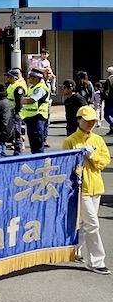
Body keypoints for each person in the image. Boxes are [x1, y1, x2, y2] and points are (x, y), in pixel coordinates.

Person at [62, 106, 111, 275]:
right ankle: (97, 261)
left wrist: (92, 157)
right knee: (92, 224)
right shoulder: (70, 141)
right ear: (78, 119)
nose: (90, 123)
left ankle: (74, 250)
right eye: (87, 120)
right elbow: (66, 167)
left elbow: (104, 161)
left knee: (84, 223)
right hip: (80, 189)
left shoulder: (97, 140)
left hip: (96, 187)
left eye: (93, 121)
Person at [20, 68, 50, 154]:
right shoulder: (32, 87)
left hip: (38, 118)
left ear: (36, 78)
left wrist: (19, 100)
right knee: (33, 143)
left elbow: (31, 100)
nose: (28, 79)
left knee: (37, 144)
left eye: (30, 77)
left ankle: (39, 162)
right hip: (31, 118)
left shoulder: (40, 88)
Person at [5, 69, 27, 156]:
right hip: (11, 111)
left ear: (14, 78)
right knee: (13, 132)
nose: (7, 78)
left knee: (17, 132)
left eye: (9, 76)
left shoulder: (19, 87)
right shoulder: (11, 85)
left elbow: (19, 103)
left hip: (17, 113)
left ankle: (18, 152)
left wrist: (15, 112)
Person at [102, 66, 113, 135]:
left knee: (107, 115)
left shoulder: (109, 80)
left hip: (110, 100)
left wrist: (103, 97)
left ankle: (112, 124)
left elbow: (106, 91)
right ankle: (112, 129)